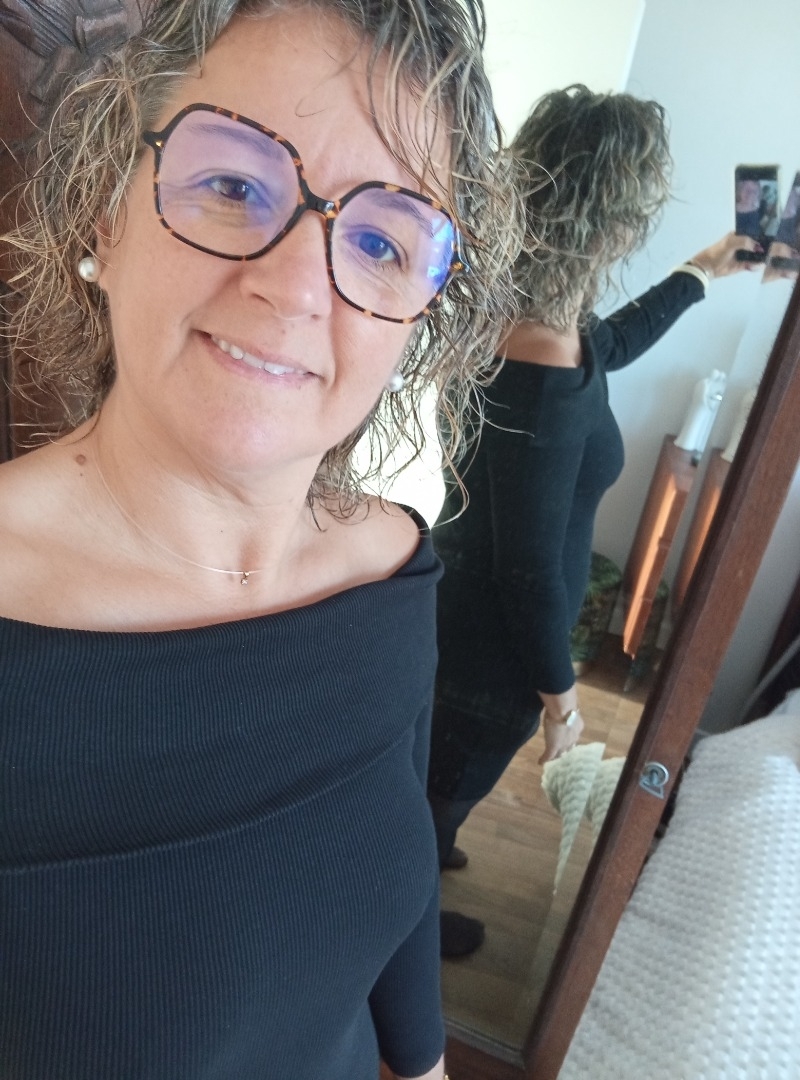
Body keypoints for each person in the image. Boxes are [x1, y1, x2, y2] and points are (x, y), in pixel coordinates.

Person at [0, 1, 521, 1077]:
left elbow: (397, 903)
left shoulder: (391, 566)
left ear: (416, 321)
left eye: (379, 240)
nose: (292, 287)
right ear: (105, 214)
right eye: (234, 187)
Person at [427, 84, 759, 958]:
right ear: (613, 226)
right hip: (490, 650)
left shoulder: (522, 319)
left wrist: (701, 271)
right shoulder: (546, 368)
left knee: (437, 780)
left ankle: (433, 838)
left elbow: (604, 348)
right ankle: (406, 925)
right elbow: (530, 573)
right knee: (438, 789)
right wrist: (562, 705)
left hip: (462, 619)